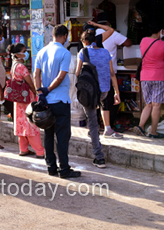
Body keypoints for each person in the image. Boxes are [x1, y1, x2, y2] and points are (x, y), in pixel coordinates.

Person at [34, 24, 81, 178]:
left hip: (46, 102)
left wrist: (40, 91)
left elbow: (36, 75)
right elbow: (61, 76)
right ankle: (64, 169)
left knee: (48, 134)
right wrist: (48, 89)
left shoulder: (41, 52)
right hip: (60, 101)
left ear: (52, 35)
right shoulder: (64, 53)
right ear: (65, 36)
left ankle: (51, 167)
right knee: (62, 136)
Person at [75, 30, 122, 168]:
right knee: (95, 117)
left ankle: (99, 157)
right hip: (104, 91)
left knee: (93, 122)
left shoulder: (83, 52)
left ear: (84, 41)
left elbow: (77, 73)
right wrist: (116, 92)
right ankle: (94, 135)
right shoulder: (105, 52)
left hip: (89, 92)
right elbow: (112, 73)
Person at [93, 13, 133, 138]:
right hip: (108, 74)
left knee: (96, 101)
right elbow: (128, 43)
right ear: (108, 24)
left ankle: (98, 125)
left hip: (93, 75)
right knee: (108, 102)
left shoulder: (91, 34)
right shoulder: (112, 34)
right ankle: (109, 127)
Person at [7, 43, 44, 158]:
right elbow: (30, 83)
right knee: (31, 124)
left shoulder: (14, 65)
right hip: (26, 100)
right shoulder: (21, 67)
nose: (26, 53)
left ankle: (23, 149)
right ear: (18, 54)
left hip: (18, 100)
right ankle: (40, 151)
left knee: (21, 124)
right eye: (24, 51)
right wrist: (36, 92)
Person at [134, 25, 164, 139]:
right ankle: (153, 131)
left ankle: (141, 126)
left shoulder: (143, 41)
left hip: (145, 76)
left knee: (149, 104)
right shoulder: (162, 44)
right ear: (160, 31)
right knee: (156, 105)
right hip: (158, 76)